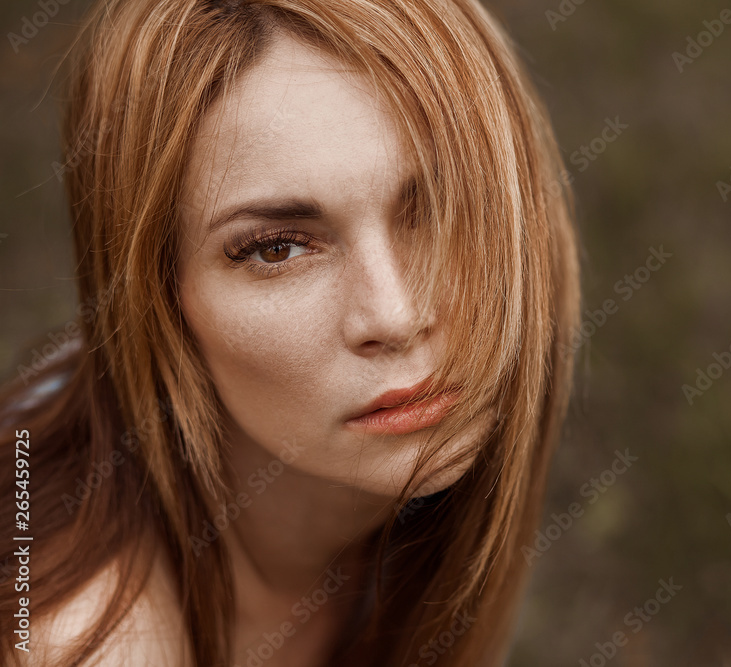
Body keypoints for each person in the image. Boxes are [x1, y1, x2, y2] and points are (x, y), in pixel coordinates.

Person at [0, 0, 581, 665]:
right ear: (160, 302)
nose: (393, 315)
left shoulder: (379, 518)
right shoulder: (85, 641)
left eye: (439, 209)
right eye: (276, 248)